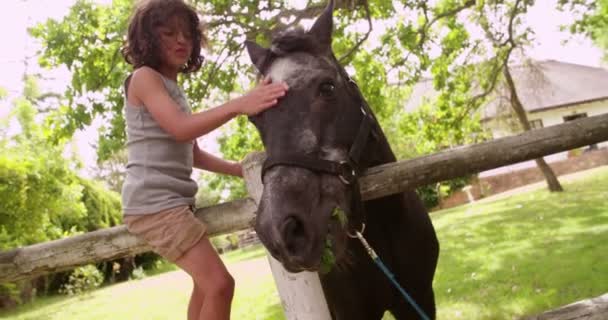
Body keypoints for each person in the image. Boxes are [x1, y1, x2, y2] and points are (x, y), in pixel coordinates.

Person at [119, 1, 288, 319]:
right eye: (169, 32)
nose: (181, 40)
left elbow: (192, 152)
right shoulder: (144, 78)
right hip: (153, 204)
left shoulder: (174, 89)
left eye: (187, 34)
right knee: (220, 285)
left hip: (171, 203)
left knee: (205, 286)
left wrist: (241, 171)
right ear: (146, 39)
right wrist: (240, 104)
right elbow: (181, 129)